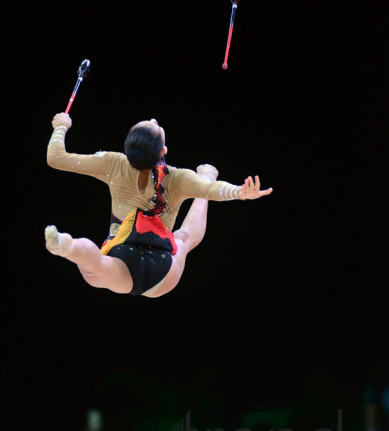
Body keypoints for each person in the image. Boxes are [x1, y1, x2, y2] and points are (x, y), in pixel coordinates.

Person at [45, 113, 272, 297]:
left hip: (122, 256)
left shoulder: (112, 163)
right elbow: (211, 192)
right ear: (163, 150)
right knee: (184, 238)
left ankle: (68, 246)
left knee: (98, 267)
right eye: (155, 125)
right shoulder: (179, 178)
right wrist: (239, 193)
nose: (154, 119)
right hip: (162, 270)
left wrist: (61, 126)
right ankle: (207, 175)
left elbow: (56, 158)